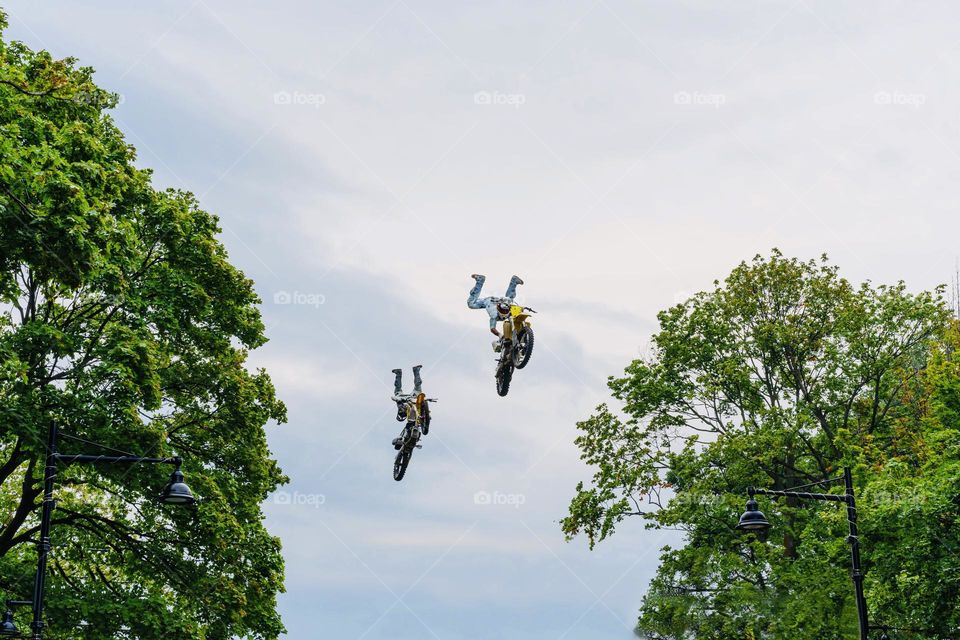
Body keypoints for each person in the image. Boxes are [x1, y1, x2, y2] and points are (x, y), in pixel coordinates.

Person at [466, 275, 523, 349]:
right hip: (489, 301)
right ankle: (480, 281)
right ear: (498, 311)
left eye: (506, 312)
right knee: (471, 304)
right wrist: (500, 335)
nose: (504, 313)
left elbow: (514, 306)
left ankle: (514, 281)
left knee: (509, 299)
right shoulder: (494, 315)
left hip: (501, 302)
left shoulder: (508, 307)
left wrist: (521, 309)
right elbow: (492, 329)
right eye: (503, 312)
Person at [391, 365, 423, 450]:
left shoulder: (407, 410)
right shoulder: (405, 409)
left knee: (399, 391)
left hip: (408, 401)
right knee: (417, 389)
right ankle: (415, 371)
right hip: (409, 400)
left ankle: (400, 373)